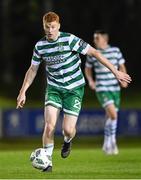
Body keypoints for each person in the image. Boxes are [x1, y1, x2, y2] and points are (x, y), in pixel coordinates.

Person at [16, 12, 131, 172]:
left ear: (58, 26)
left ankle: (68, 140)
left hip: (74, 89)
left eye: (53, 27)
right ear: (43, 27)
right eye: (47, 27)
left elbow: (95, 53)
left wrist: (115, 72)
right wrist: (23, 92)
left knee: (68, 130)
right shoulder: (40, 46)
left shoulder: (70, 39)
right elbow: (32, 70)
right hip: (54, 88)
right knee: (49, 125)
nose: (50, 30)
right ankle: (47, 162)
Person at [85, 30, 129, 155]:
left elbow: (122, 66)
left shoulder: (115, 51)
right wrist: (90, 80)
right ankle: (112, 142)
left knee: (109, 117)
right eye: (94, 38)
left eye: (97, 38)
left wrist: (123, 79)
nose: (94, 41)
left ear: (105, 39)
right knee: (114, 115)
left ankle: (106, 143)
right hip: (102, 88)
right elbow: (87, 69)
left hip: (115, 88)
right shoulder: (93, 53)